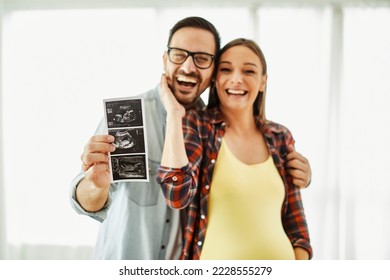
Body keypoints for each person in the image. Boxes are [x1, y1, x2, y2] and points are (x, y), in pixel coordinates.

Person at [70, 16, 311, 260]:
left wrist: (296, 174)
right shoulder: (129, 115)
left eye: (202, 58)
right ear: (165, 59)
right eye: (178, 55)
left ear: (212, 71)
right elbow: (87, 201)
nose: (188, 67)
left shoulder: (209, 130)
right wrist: (95, 185)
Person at [157, 38, 312, 260]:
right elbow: (176, 195)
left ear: (262, 82)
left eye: (249, 71)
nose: (236, 79)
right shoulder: (199, 127)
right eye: (226, 70)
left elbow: (297, 229)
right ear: (215, 79)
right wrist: (174, 113)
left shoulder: (280, 137)